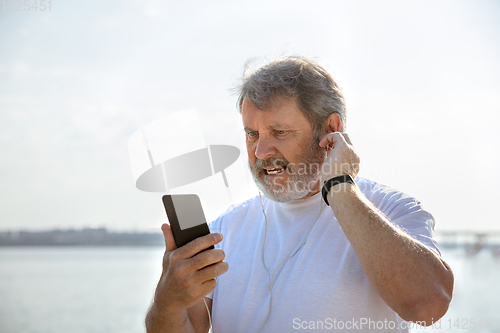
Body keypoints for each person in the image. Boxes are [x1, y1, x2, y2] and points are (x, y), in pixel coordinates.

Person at [145, 56, 454, 333]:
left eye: (280, 133)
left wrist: (340, 188)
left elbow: (427, 308)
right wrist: (167, 301)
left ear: (330, 129)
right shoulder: (225, 229)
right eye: (252, 134)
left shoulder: (392, 210)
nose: (261, 152)